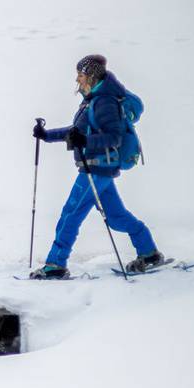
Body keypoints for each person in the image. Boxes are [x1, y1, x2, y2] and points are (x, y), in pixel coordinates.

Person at [29, 54, 168, 279]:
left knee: (70, 215)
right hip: (98, 168)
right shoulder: (92, 99)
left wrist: (86, 141)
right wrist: (46, 135)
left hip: (96, 168)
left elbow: (113, 138)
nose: (77, 78)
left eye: (81, 74)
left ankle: (55, 265)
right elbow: (76, 132)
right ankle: (148, 252)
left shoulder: (105, 102)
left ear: (91, 76)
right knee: (116, 217)